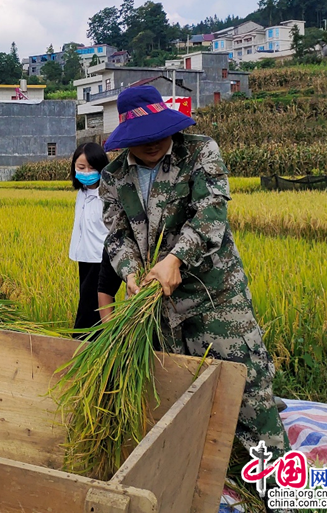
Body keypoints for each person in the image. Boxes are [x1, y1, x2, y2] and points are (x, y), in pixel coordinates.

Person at [99, 84, 289, 460]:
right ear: (125, 140)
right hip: (158, 307)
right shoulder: (113, 177)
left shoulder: (201, 151)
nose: (152, 144)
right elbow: (118, 236)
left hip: (213, 295)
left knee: (247, 388)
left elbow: (211, 213)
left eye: (158, 133)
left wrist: (175, 259)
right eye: (141, 138)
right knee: (174, 392)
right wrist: (133, 275)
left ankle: (281, 487)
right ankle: (204, 470)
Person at [68, 143, 121, 332]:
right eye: (81, 167)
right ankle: (94, 342)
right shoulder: (82, 193)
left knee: (92, 307)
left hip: (101, 259)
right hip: (84, 256)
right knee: (88, 301)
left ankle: (82, 341)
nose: (86, 172)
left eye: (92, 168)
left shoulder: (108, 196)